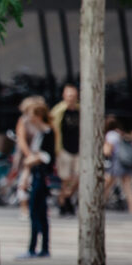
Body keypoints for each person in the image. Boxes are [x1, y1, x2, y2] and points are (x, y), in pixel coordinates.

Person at [17, 101, 55, 259]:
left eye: (31, 115)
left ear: (38, 116)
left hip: (41, 176)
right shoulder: (40, 133)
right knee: (40, 213)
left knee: (35, 212)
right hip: (37, 175)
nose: (28, 118)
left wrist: (34, 159)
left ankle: (34, 248)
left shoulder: (48, 133)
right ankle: (43, 248)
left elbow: (49, 157)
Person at [13, 96, 47, 219]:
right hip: (25, 156)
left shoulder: (42, 122)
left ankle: (37, 206)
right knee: (24, 181)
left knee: (38, 182)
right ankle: (24, 207)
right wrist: (29, 155)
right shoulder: (23, 121)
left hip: (39, 155)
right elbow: (21, 139)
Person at [50, 84, 80, 216]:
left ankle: (64, 198)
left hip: (78, 149)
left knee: (78, 177)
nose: (71, 97)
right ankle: (64, 202)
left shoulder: (80, 110)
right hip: (63, 149)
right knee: (66, 178)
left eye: (73, 95)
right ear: (64, 96)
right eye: (68, 95)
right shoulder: (58, 111)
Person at [103, 116, 132, 214]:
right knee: (128, 188)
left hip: (117, 163)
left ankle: (99, 205)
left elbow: (107, 151)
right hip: (126, 162)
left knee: (106, 185)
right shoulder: (121, 134)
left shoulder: (111, 134)